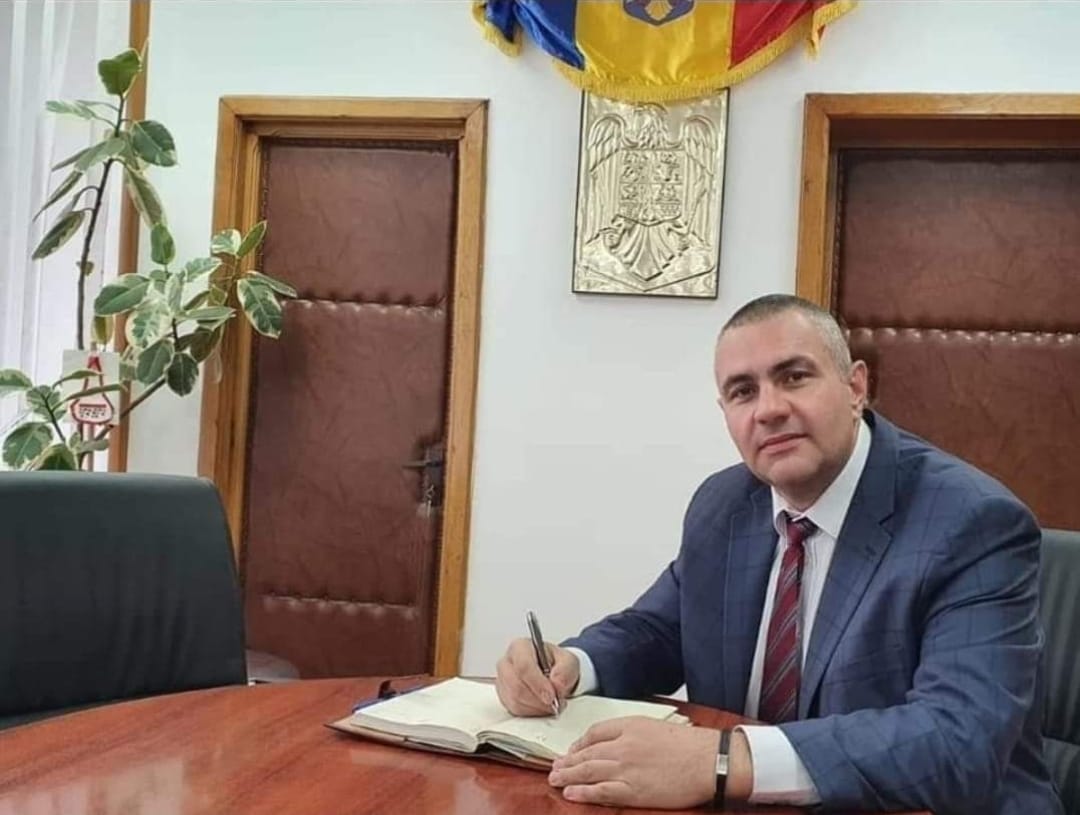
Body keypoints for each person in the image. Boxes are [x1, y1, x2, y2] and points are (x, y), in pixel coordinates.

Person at [495, 294, 1062, 813]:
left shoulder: (970, 522)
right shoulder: (725, 504)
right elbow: (663, 629)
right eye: (743, 391)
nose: (768, 409)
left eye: (794, 377)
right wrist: (571, 666)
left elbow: (958, 740)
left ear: (856, 387)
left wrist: (722, 760)